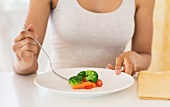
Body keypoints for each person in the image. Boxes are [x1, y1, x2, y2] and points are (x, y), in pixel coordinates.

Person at [12, 0, 155, 76]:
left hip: (113, 92)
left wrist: (135, 59)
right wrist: (22, 62)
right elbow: (27, 61)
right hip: (59, 90)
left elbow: (145, 56)